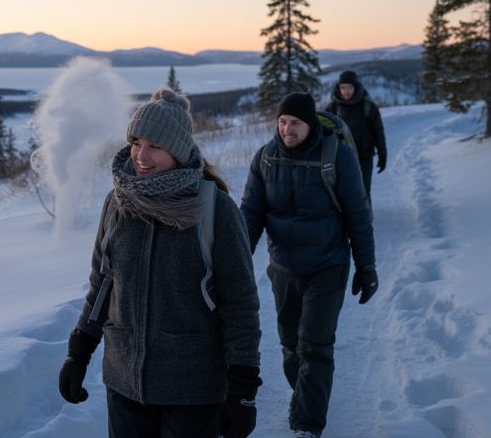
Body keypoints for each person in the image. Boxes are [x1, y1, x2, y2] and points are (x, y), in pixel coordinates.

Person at [58, 88, 263, 438]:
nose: (141, 155)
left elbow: (240, 304)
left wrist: (243, 388)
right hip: (125, 383)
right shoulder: (117, 204)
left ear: (178, 151)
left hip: (193, 387)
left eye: (154, 145)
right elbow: (103, 284)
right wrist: (79, 352)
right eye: (137, 141)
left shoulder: (215, 210)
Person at [240, 92, 377, 438]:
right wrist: (235, 263)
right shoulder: (266, 158)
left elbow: (358, 216)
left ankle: (307, 425)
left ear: (310, 123)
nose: (288, 129)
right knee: (290, 344)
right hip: (283, 268)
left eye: (295, 123)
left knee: (314, 344)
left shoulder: (337, 158)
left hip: (327, 265)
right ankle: (304, 397)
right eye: (282, 122)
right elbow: (251, 214)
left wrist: (366, 267)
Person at [326, 70, 387, 197]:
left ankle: (365, 216)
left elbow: (378, 132)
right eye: (342, 88)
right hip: (340, 157)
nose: (346, 91)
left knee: (363, 191)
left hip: (364, 156)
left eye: (349, 87)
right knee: (342, 193)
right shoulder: (333, 108)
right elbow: (323, 131)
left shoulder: (368, 107)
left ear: (356, 87)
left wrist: (382, 154)